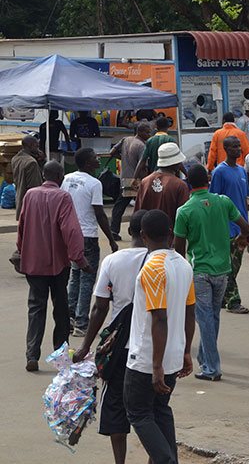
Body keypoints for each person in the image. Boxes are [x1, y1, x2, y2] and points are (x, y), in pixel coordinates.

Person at [72, 210, 148, 464]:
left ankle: (120, 462)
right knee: (151, 409)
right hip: (152, 347)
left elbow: (99, 307)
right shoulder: (162, 261)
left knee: (116, 407)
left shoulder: (113, 261)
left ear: (130, 232)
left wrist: (85, 345)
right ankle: (157, 456)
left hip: (120, 348)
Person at [124, 209, 195, 464]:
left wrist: (156, 366)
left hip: (147, 358)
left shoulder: (153, 267)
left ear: (143, 236)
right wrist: (186, 351)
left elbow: (159, 318)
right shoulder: (183, 265)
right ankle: (168, 459)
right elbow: (190, 311)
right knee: (160, 410)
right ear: (170, 234)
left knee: (139, 413)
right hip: (173, 354)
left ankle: (167, 460)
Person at [174, 165, 249, 381]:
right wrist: (240, 240)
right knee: (212, 316)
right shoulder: (223, 201)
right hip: (223, 270)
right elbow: (245, 226)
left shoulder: (185, 211)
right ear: (208, 180)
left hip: (200, 271)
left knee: (206, 318)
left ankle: (212, 367)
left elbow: (179, 248)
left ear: (188, 183)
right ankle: (205, 358)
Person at [15, 161, 88, 372]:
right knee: (61, 307)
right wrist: (79, 258)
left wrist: (22, 251)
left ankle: (32, 354)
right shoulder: (63, 197)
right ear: (60, 175)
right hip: (58, 264)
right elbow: (71, 230)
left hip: (34, 262)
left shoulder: (30, 195)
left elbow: (22, 225)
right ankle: (60, 353)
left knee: (36, 308)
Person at [62, 147, 119, 338]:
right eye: (95, 158)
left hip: (70, 235)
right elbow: (100, 214)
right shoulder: (94, 183)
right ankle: (81, 323)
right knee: (87, 279)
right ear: (87, 163)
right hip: (87, 236)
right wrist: (111, 238)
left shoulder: (67, 178)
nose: (98, 160)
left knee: (75, 276)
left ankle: (68, 318)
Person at [210, 136, 249, 314]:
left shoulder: (242, 171)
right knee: (229, 266)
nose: (238, 149)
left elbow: (245, 199)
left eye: (239, 146)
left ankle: (220, 297)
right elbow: (214, 200)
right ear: (226, 149)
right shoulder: (219, 172)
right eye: (234, 147)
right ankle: (233, 301)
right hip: (227, 228)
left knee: (235, 266)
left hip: (242, 227)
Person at [134, 143, 190, 236]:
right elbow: (183, 219)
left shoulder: (145, 182)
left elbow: (138, 213)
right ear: (176, 163)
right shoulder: (180, 185)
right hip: (170, 240)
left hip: (147, 240)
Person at [110, 122, 151, 240]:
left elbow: (112, 152)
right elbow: (143, 164)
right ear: (140, 132)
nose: (149, 135)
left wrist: (122, 158)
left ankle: (114, 230)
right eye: (147, 132)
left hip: (123, 177)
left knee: (120, 205)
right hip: (136, 180)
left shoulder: (125, 139)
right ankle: (136, 230)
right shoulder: (142, 146)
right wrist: (138, 179)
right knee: (140, 205)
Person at [11, 134, 42, 220]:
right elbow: (35, 188)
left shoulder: (15, 158)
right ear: (31, 145)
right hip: (29, 205)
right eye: (37, 146)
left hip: (20, 200)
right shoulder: (31, 163)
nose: (38, 149)